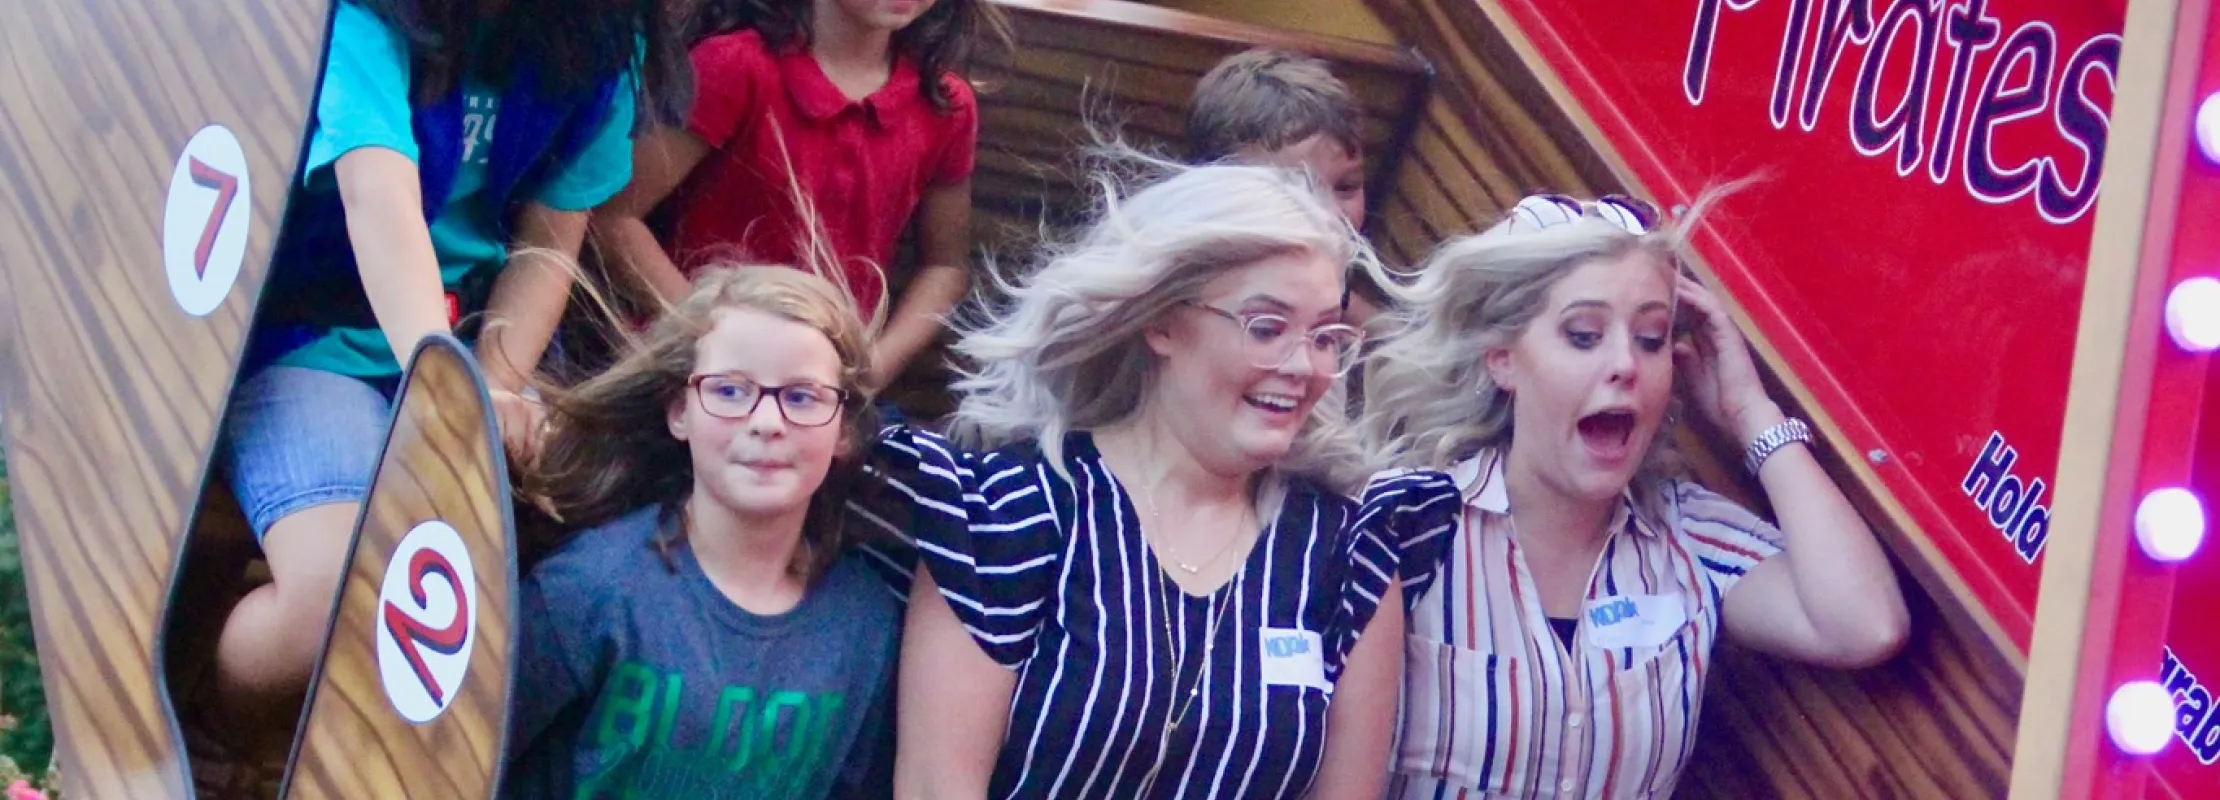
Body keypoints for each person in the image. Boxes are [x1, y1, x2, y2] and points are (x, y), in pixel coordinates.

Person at [870, 157, 1459, 798]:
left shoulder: (1348, 552)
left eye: (1323, 335)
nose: (1304, 366)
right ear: (1161, 321)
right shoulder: (1011, 513)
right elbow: (937, 786)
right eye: (1267, 327)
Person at [212, 0, 681, 718]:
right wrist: (451, 392)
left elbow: (549, 243)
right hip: (325, 343)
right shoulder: (365, 17)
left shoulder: (601, 36)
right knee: (330, 601)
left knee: (608, 540)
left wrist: (495, 383)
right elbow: (378, 198)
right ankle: (207, 715)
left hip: (484, 343)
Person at [1360, 193, 1910, 798]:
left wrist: (1751, 414)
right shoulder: (1407, 523)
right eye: (1584, 335)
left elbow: (1865, 625)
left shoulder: (1689, 537)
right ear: (1504, 361)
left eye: (1651, 339)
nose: (1626, 363)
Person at [504, 266, 898, 798]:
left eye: (802, 397)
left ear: (845, 430)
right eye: (731, 390)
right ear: (679, 413)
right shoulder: (585, 590)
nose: (767, 421)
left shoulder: (867, 623)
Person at [590, 0, 1008, 392]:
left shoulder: (946, 106)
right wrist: (707, 333)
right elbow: (614, 217)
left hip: (820, 390)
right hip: (683, 372)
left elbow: (944, 267)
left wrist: (872, 369)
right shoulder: (734, 65)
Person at [1186, 48, 1384, 326]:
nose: (1331, 215)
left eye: (1346, 186)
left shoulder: (1327, 282)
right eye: (1298, 194)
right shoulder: (1192, 294)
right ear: (1218, 195)